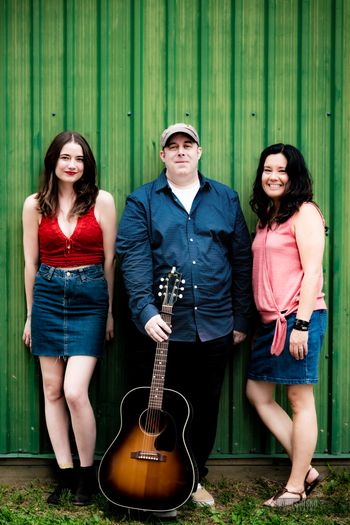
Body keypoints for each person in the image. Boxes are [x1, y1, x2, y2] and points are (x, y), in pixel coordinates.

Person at [116, 123, 252, 516]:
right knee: (159, 408)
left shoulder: (225, 198)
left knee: (205, 406)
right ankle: (153, 480)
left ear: (199, 152)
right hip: (160, 329)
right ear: (162, 156)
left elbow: (241, 260)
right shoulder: (141, 201)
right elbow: (134, 258)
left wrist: (240, 318)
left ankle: (192, 480)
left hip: (215, 325)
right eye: (171, 147)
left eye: (187, 145)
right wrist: (145, 310)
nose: (180, 152)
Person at [22, 131, 116, 505]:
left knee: (76, 391)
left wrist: (109, 312)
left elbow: (110, 260)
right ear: (53, 162)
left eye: (78, 158)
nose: (72, 164)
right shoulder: (34, 205)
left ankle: (87, 475)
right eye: (65, 157)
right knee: (52, 389)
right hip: (46, 295)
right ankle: (64, 474)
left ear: (86, 164)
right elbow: (30, 263)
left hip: (90, 297)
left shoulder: (102, 201)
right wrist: (31, 315)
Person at [246, 143, 327, 507]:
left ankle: (295, 486)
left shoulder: (305, 213)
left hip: (298, 317)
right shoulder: (268, 217)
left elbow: (313, 271)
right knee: (257, 393)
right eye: (267, 169)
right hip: (270, 323)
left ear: (294, 176)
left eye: (281, 170)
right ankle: (306, 469)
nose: (273, 176)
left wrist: (303, 324)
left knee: (298, 398)